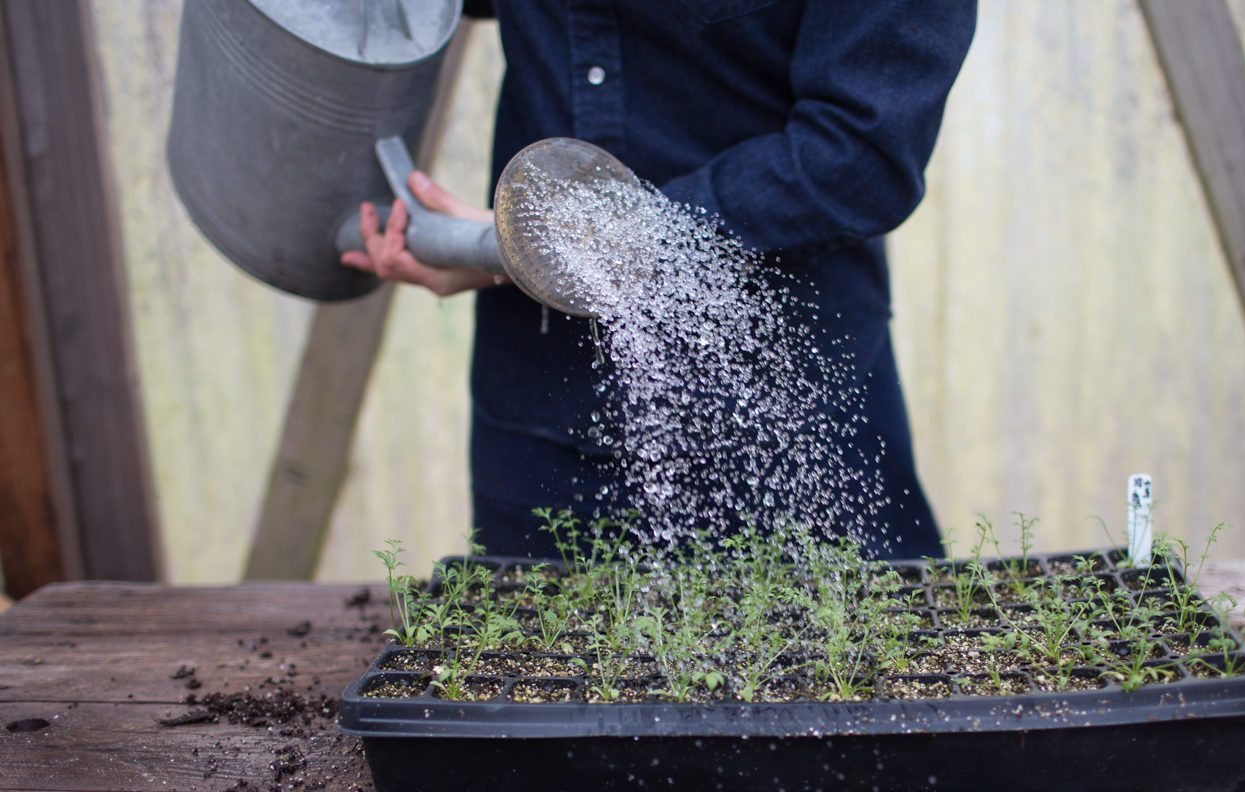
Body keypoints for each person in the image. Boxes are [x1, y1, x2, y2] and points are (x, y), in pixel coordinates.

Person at [343, 0, 978, 567]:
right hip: (542, 407)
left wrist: (550, 244)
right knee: (541, 673)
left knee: (840, 674)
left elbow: (860, 157)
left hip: (782, 414)